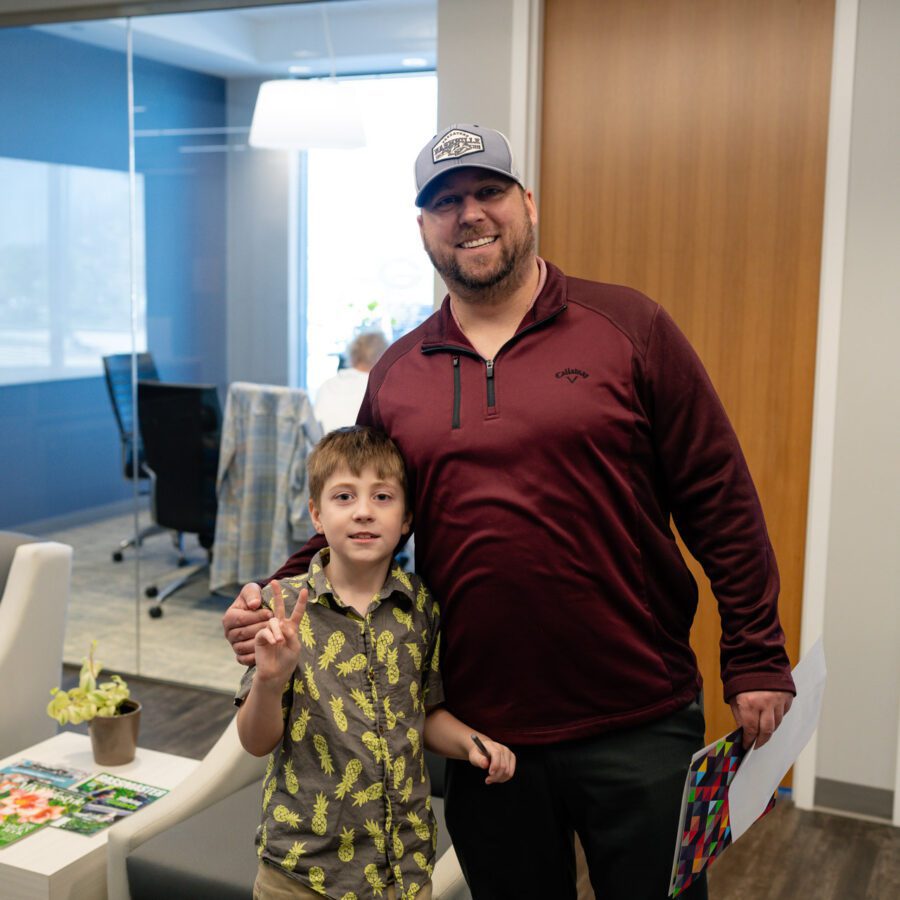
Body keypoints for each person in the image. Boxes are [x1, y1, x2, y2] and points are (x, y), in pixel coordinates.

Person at [224, 123, 796, 900]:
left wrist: (756, 651)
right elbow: (359, 512)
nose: (471, 214)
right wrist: (274, 596)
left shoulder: (629, 328)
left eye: (489, 192)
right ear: (423, 226)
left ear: (527, 203)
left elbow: (717, 494)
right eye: (446, 202)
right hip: (482, 728)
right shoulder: (397, 373)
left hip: (639, 714)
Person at [235, 426, 515, 900]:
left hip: (401, 874)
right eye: (344, 496)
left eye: (382, 497)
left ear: (406, 517)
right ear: (317, 515)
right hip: (300, 877)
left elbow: (423, 715)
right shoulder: (281, 605)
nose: (364, 511)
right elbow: (255, 741)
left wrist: (474, 742)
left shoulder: (421, 606)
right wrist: (269, 677)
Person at [314, 331, 389, 434]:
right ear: (384, 358)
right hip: (364, 448)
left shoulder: (327, 386)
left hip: (327, 448)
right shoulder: (380, 389)